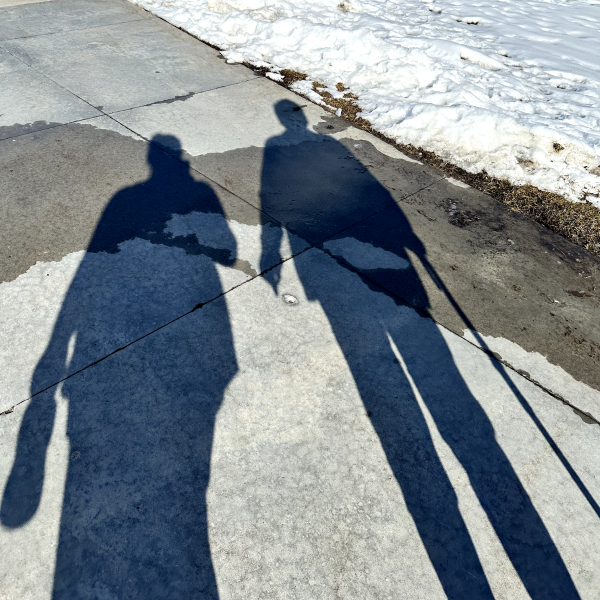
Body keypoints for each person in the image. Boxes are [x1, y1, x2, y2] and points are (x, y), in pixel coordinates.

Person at [2, 135, 237, 599]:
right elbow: (226, 251)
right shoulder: (190, 195)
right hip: (206, 375)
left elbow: (83, 285)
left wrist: (54, 360)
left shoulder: (126, 199)